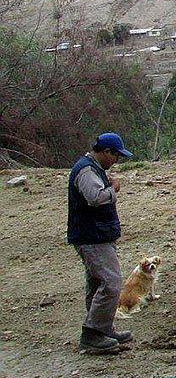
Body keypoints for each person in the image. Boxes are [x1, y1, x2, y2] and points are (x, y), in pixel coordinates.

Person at [67, 133, 133, 355]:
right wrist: (113, 189)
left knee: (97, 283)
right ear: (106, 152)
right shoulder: (86, 170)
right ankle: (93, 334)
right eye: (116, 156)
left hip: (95, 235)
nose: (116, 161)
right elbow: (94, 198)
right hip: (92, 236)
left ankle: (102, 330)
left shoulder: (91, 168)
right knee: (111, 282)